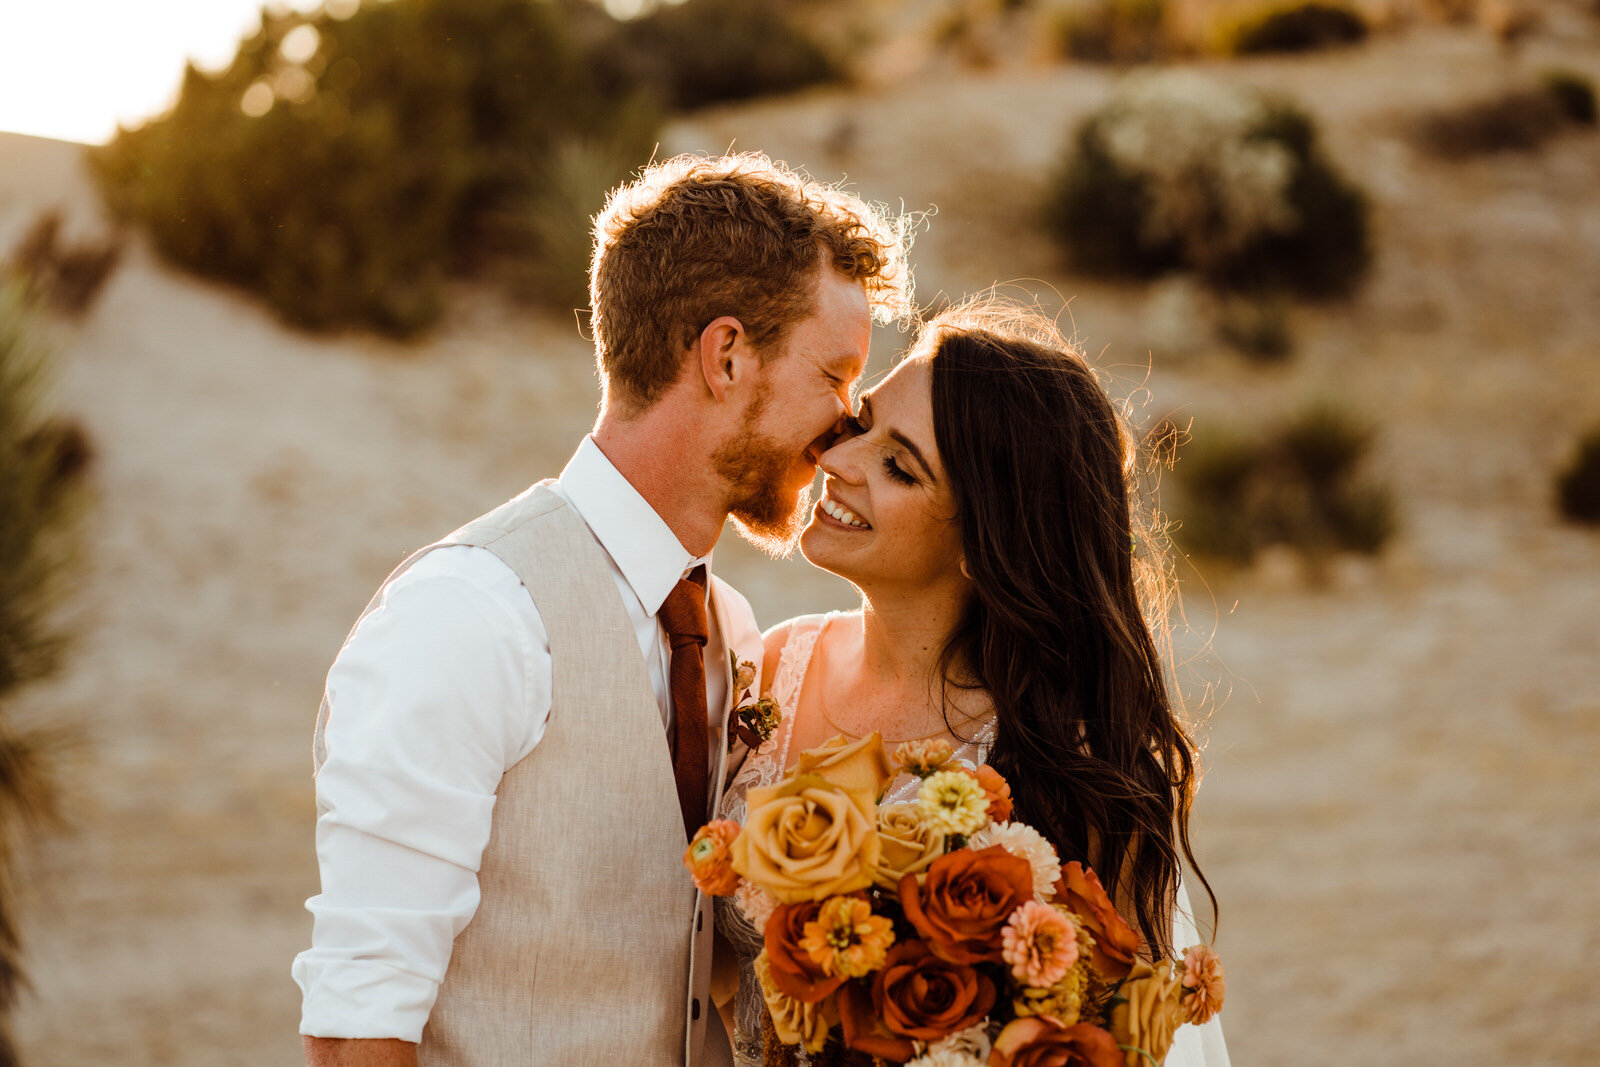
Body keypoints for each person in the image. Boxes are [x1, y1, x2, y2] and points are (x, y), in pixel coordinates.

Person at [292, 152, 910, 1067]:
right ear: (727, 356)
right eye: (834, 378)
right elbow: (357, 1029)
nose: (842, 429)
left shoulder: (730, 631)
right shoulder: (470, 615)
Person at [713, 301, 1229, 1067]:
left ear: (983, 544)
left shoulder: (1052, 772)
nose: (837, 461)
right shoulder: (773, 669)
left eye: (898, 465)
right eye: (860, 424)